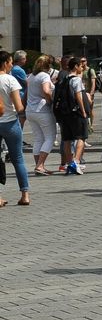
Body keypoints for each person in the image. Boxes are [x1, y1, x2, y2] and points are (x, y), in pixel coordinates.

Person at [0, 51, 31, 206]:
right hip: (11, 123)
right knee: (18, 159)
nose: (12, 64)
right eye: (11, 61)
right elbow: (19, 106)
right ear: (5, 63)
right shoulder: (10, 80)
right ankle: (25, 195)